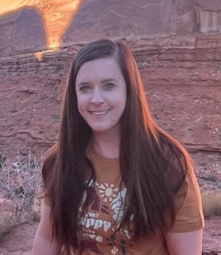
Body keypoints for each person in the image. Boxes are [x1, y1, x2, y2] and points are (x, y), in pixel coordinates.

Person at [32, 39, 204, 255]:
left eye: (108, 85)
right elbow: (48, 239)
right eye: (85, 88)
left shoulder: (167, 163)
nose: (96, 99)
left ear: (129, 90)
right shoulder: (61, 161)